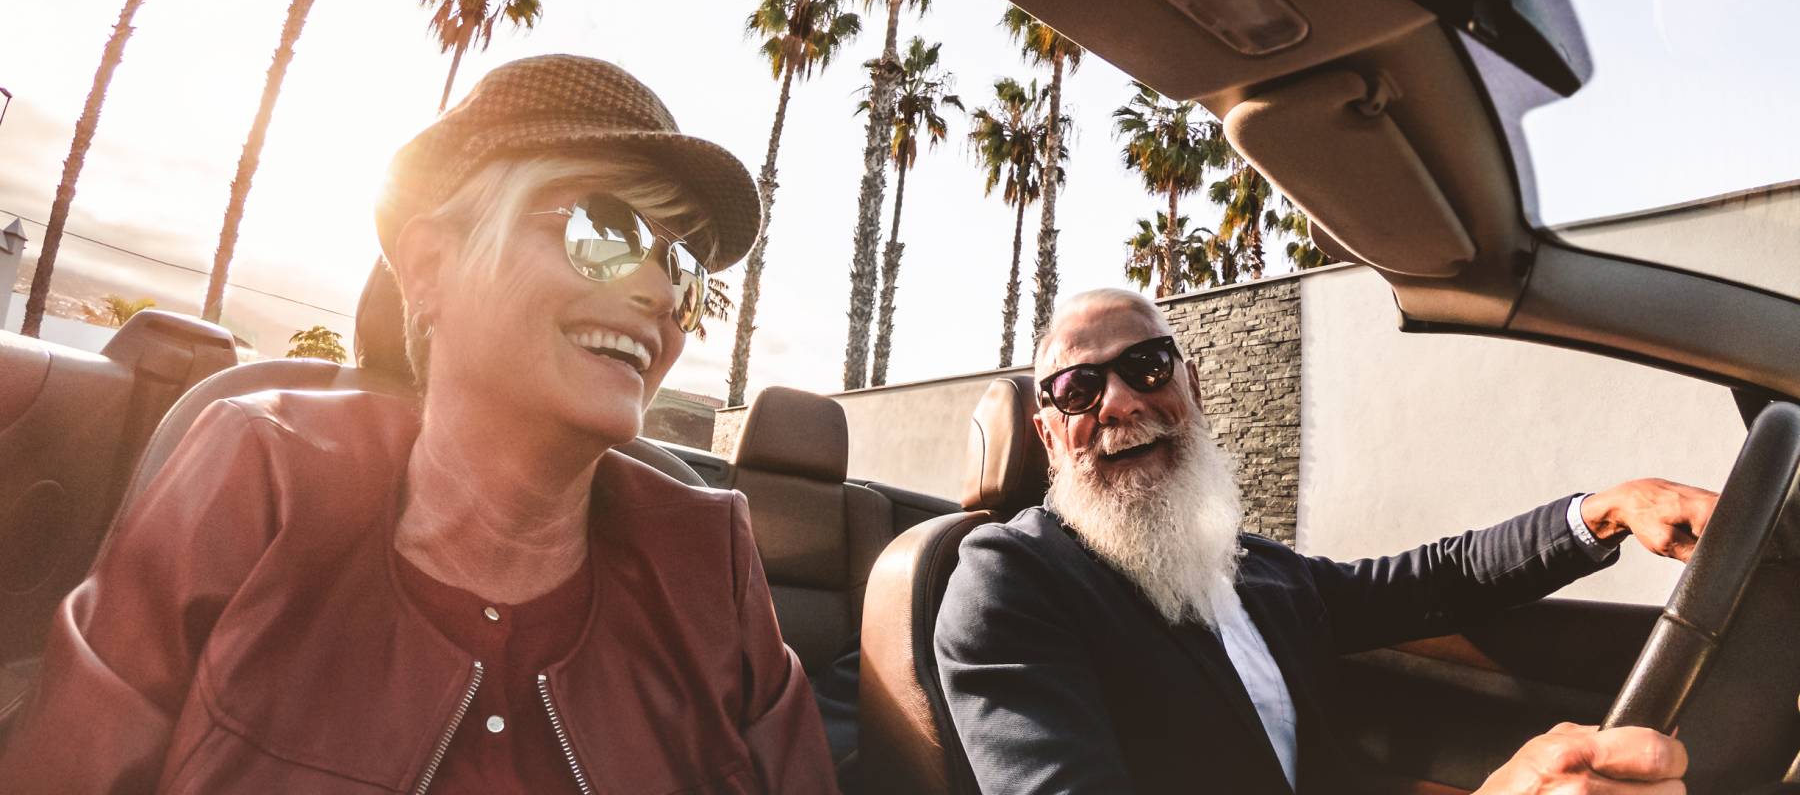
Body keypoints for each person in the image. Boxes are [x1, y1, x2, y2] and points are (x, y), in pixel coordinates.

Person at [0, 55, 836, 793]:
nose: (657, 294)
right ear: (432, 265)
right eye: (603, 230)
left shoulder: (708, 562)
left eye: (680, 267)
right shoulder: (254, 476)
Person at [935, 288, 1710, 794]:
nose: (1119, 402)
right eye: (1077, 389)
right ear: (1048, 434)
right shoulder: (1009, 580)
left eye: (1146, 366)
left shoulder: (1255, 568)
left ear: (1192, 389)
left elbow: (1434, 580)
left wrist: (1606, 510)